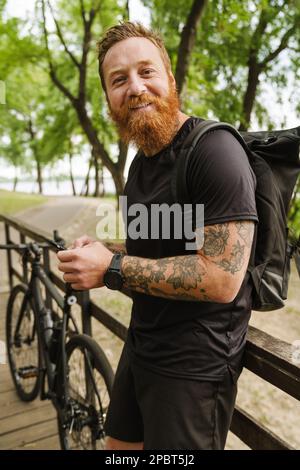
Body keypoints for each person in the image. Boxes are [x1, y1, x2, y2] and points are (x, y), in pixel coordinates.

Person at [57, 21, 258, 450]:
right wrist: (102, 250)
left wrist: (109, 268)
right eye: (119, 80)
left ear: (170, 78)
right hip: (143, 342)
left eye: (146, 72)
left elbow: (222, 277)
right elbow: (154, 242)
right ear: (109, 98)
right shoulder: (142, 164)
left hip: (195, 364)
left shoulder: (215, 151)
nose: (134, 87)